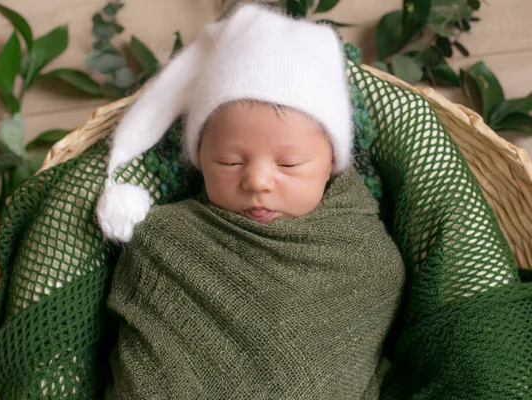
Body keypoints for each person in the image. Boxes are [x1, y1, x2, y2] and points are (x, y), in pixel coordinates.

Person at [97, 4, 405, 399]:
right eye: (230, 161)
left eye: (289, 164)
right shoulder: (166, 241)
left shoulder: (365, 257)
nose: (257, 181)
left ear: (332, 164)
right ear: (200, 160)